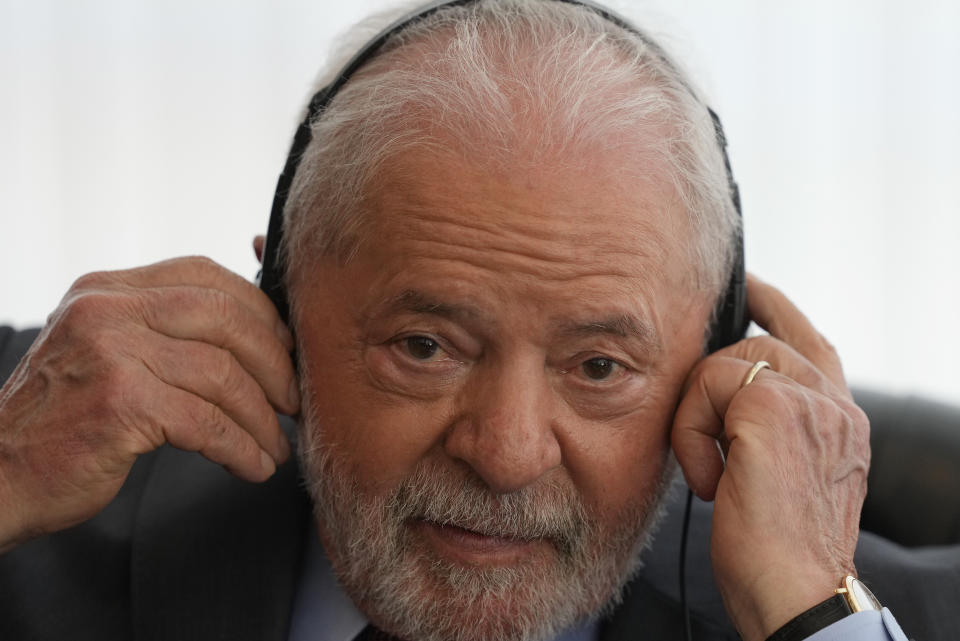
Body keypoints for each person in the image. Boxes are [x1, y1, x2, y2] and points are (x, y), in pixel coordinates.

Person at [0, 1, 955, 640]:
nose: (505, 453)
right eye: (425, 348)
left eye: (598, 367)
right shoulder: (30, 486)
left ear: (713, 365)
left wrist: (816, 618)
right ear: (277, 311)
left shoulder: (895, 614)